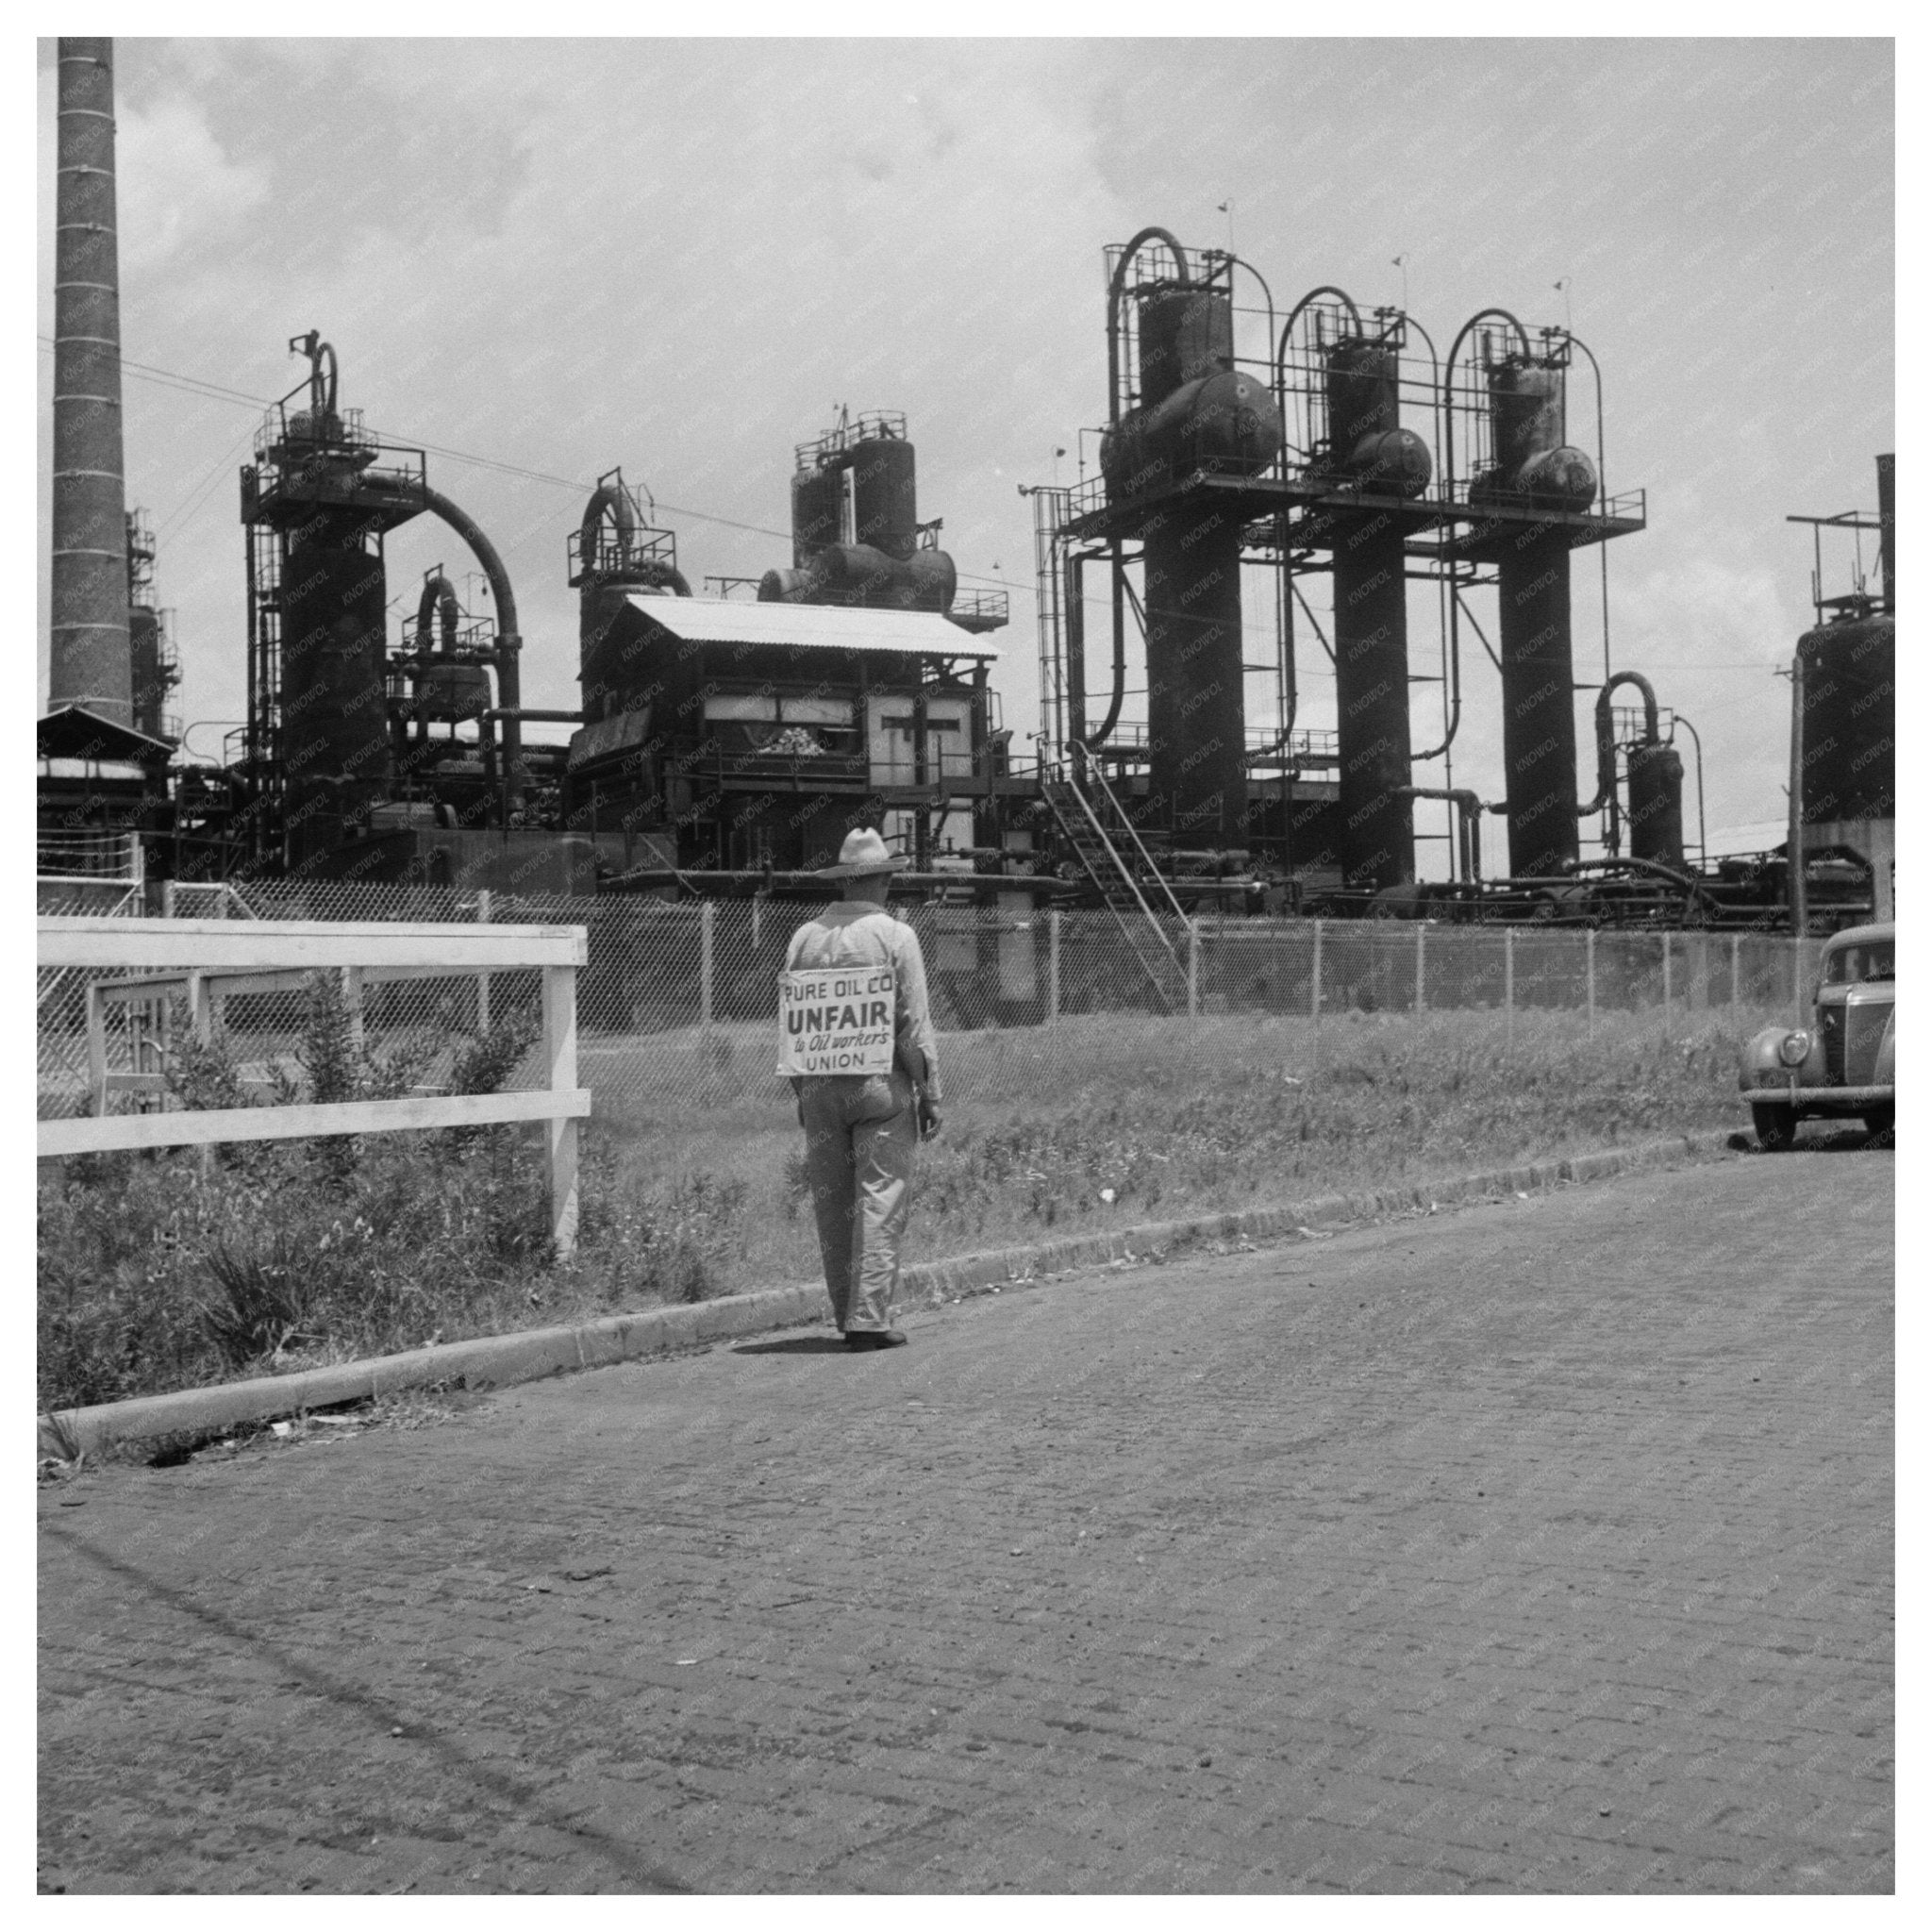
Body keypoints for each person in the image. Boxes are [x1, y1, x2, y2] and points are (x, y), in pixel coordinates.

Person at [783, 827, 942, 1351]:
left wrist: (802, 1093)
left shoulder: (803, 937)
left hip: (818, 1088)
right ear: (883, 879)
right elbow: (913, 1027)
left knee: (833, 1204)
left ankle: (844, 1315)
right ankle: (869, 1319)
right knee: (879, 1199)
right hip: (878, 1088)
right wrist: (930, 1091)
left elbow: (793, 1022)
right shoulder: (896, 936)